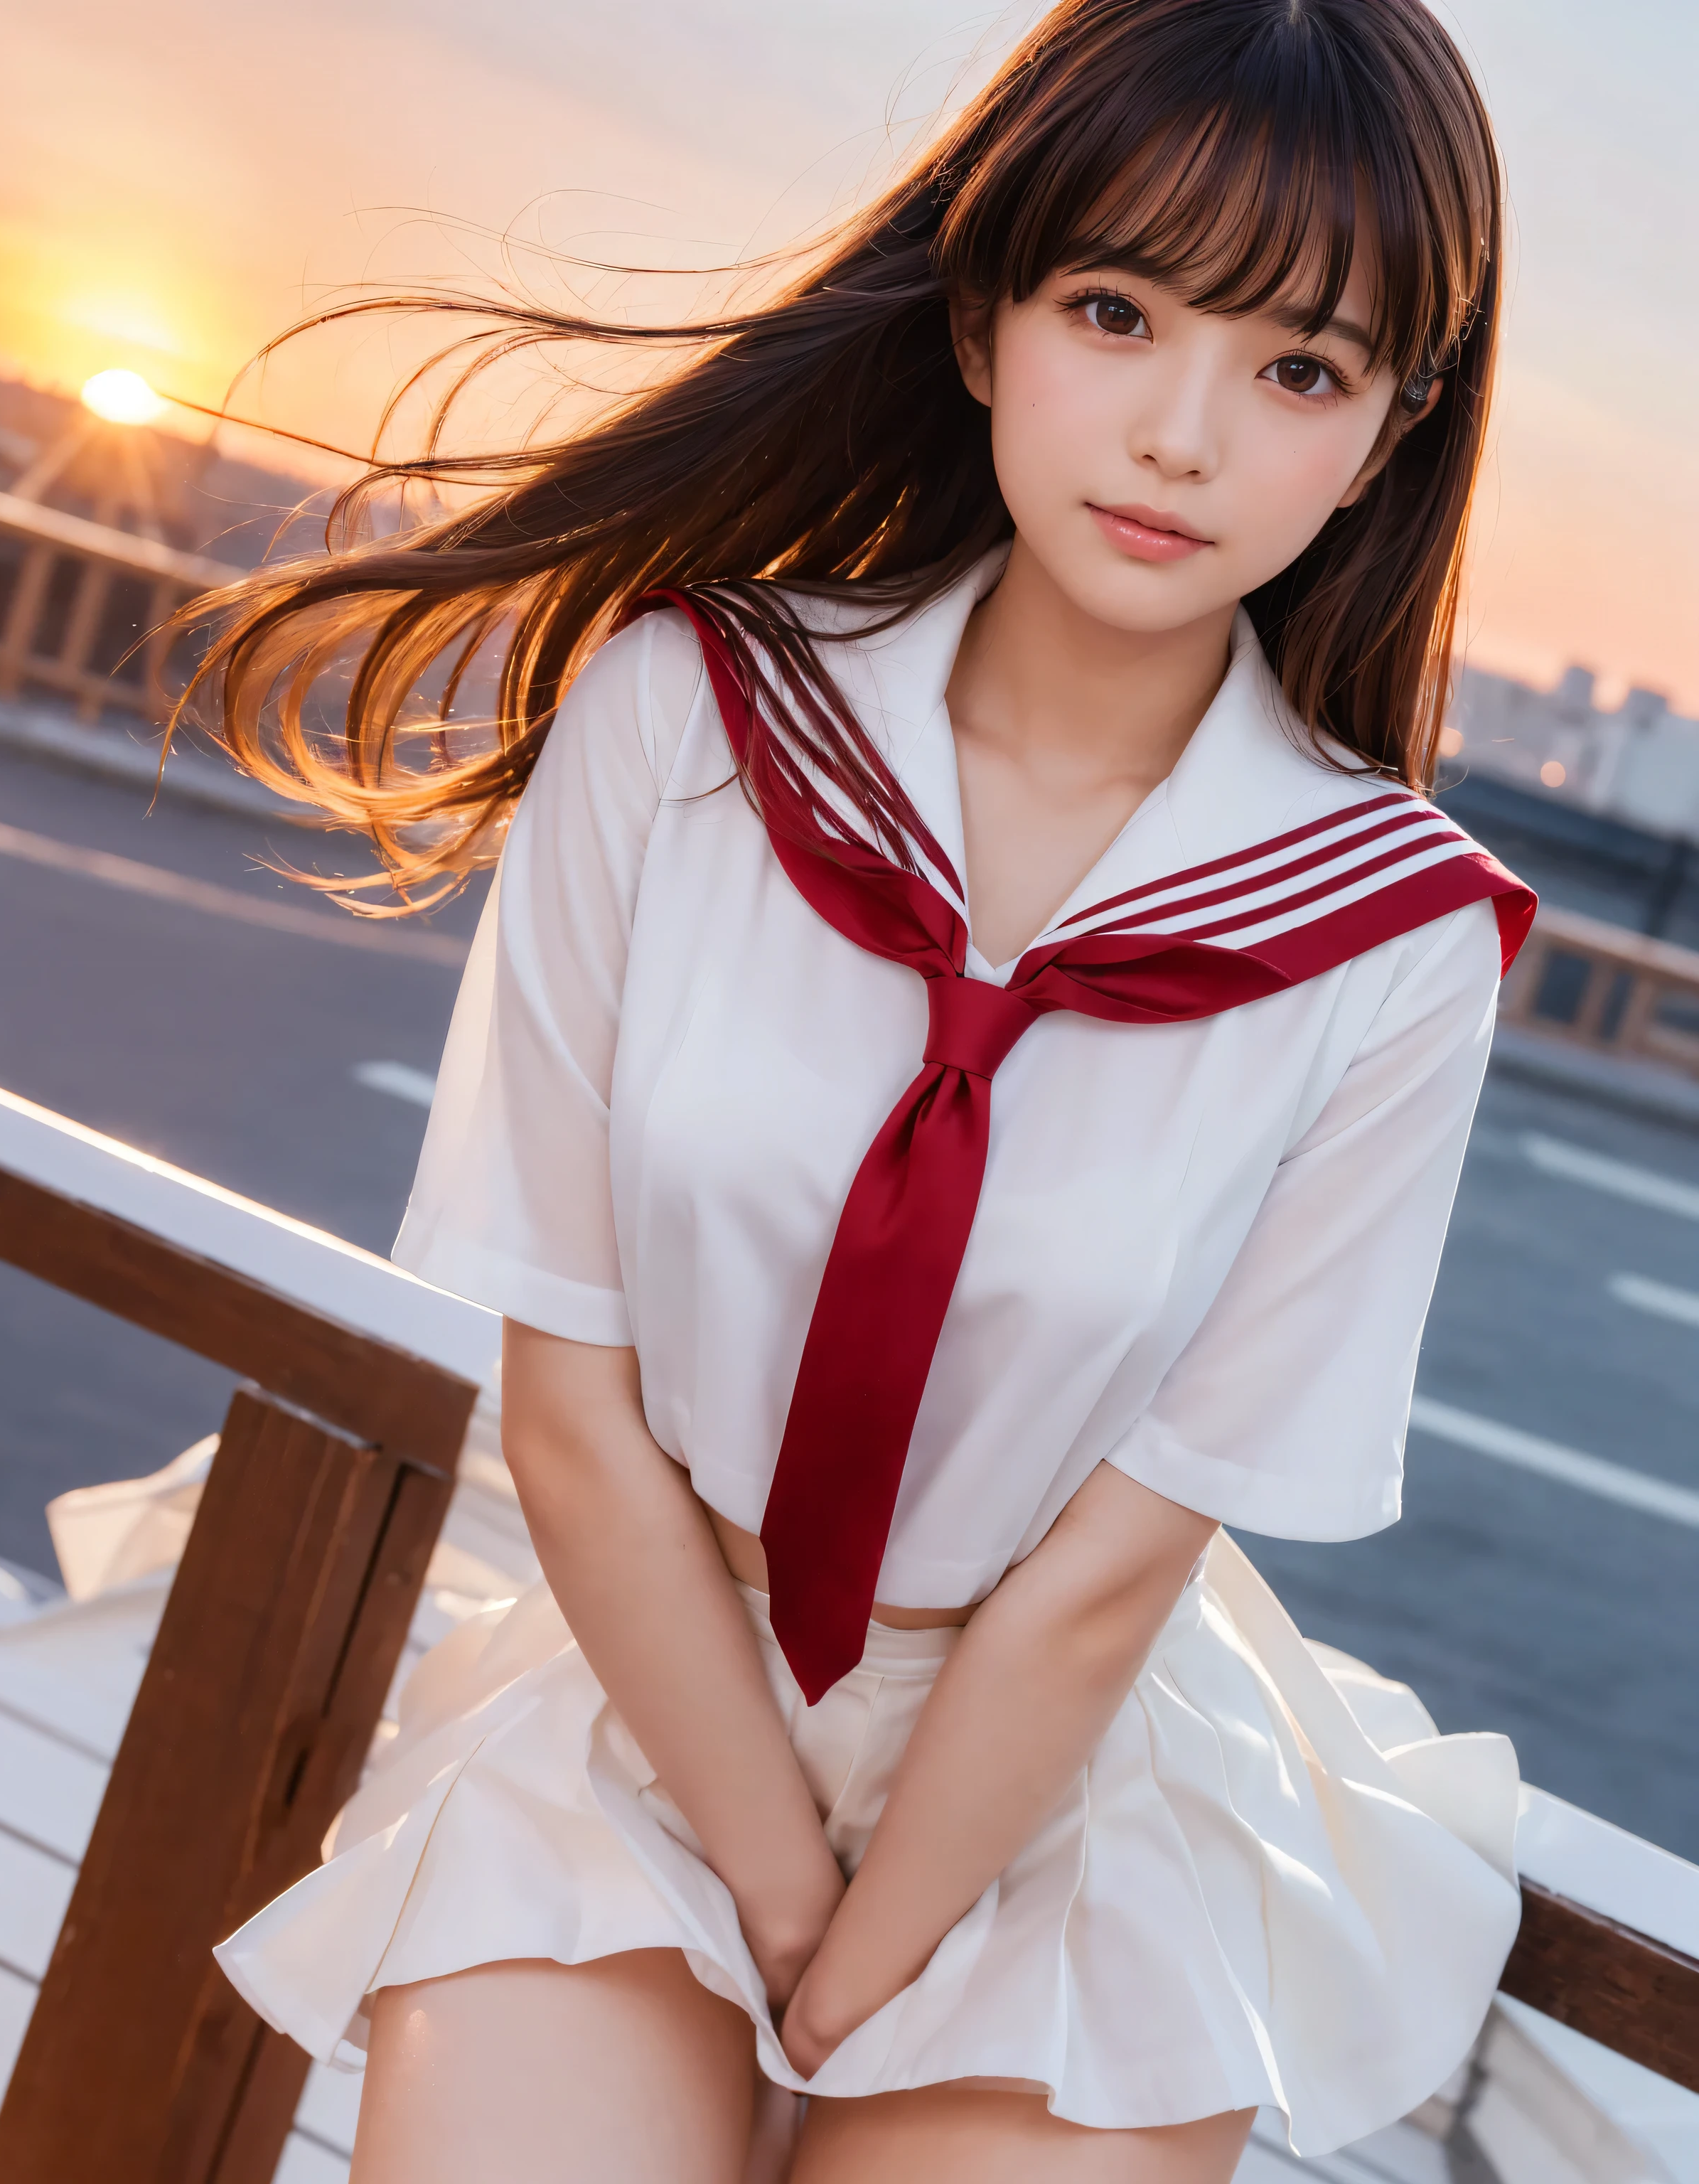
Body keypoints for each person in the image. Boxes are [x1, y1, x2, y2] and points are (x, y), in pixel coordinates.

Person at [207, 2, 1535, 2176]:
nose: (1184, 435)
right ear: (990, 318)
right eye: (1119, 309)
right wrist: (778, 1890)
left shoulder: (1390, 943)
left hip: (1063, 1795)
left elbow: (1116, 1569)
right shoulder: (687, 714)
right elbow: (569, 1402)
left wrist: (868, 1949)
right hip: (656, 1697)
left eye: (1299, 367)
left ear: (1385, 436)